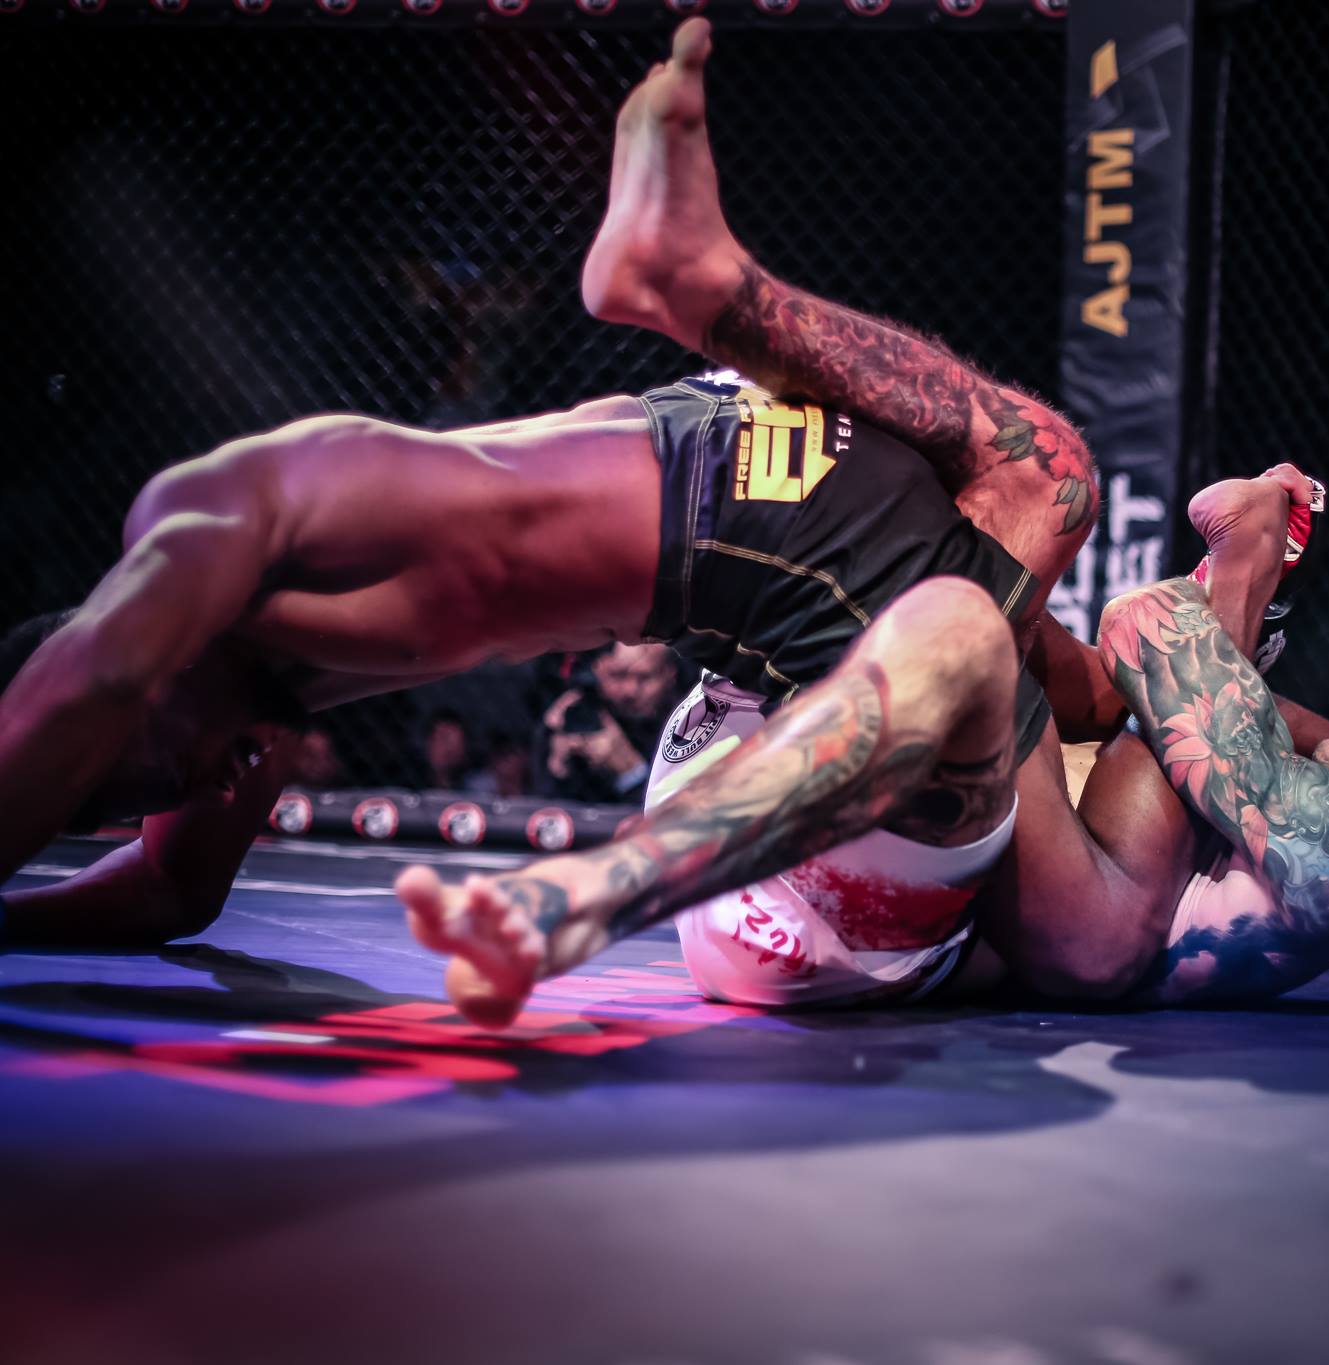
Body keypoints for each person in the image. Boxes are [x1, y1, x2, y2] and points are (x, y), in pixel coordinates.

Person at [0, 20, 1093, 953]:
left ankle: (707, 284)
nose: (204, 781)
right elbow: (176, 891)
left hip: (752, 522)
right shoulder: (264, 696)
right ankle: (697, 286)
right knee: (1058, 704)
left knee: (1046, 491)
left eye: (161, 767)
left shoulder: (200, 527)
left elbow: (85, 681)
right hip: (723, 497)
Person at [402, 467, 1329, 1021]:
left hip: (839, 911)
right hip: (794, 825)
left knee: (1064, 677)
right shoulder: (1304, 793)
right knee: (1027, 591)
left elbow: (1147, 628)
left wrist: (1244, 573)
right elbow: (1170, 680)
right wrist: (1224, 637)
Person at [534, 641, 680, 803]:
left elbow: (679, 812)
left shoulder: (687, 727)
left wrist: (631, 771)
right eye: (618, 675)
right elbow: (544, 810)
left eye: (645, 677)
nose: (630, 691)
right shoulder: (575, 717)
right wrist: (558, 767)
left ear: (669, 674)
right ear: (598, 669)